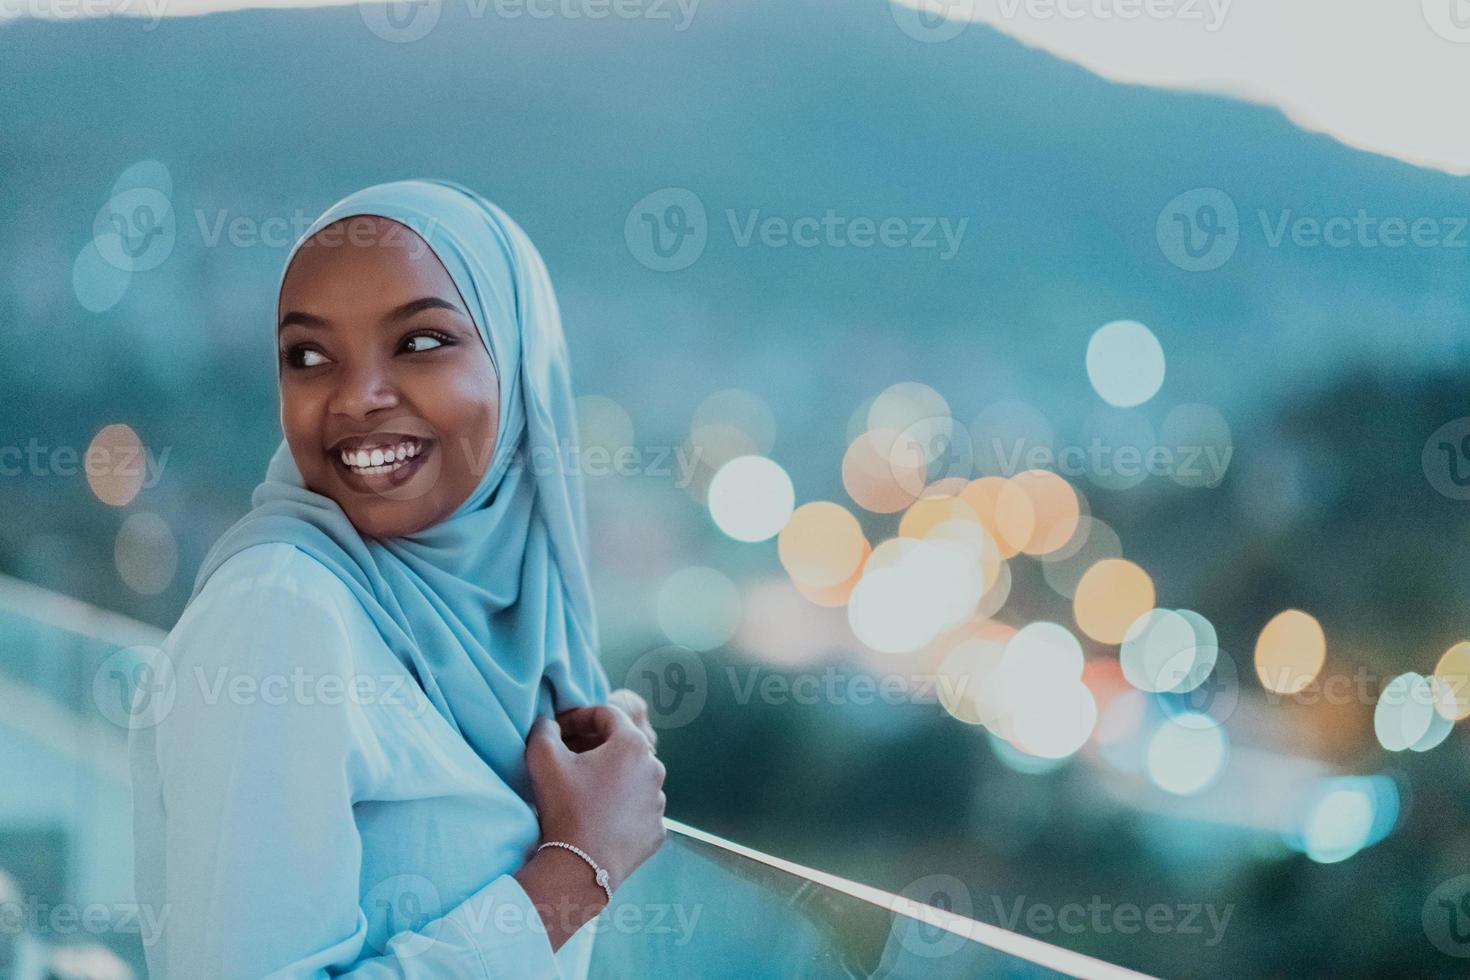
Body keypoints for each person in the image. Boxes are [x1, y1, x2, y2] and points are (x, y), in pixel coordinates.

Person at [129, 179, 666, 979]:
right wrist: (573, 871)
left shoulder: (511, 645)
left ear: (518, 372)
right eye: (309, 356)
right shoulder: (280, 609)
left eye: (419, 343)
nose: (357, 398)